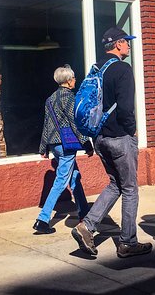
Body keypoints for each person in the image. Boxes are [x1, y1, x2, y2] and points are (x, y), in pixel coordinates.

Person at [71, 27, 152, 258]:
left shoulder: (97, 69)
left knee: (115, 184)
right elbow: (126, 108)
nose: (128, 45)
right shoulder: (122, 69)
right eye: (126, 42)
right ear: (117, 44)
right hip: (119, 137)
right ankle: (128, 242)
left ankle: (86, 226)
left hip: (99, 138)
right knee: (130, 189)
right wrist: (132, 130)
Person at [33, 64, 93, 234]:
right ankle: (43, 220)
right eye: (73, 78)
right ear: (68, 81)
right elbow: (75, 123)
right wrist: (87, 144)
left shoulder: (50, 98)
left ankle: (85, 214)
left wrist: (43, 147)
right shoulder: (69, 98)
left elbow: (46, 125)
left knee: (74, 177)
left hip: (54, 144)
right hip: (66, 144)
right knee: (61, 181)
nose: (75, 80)